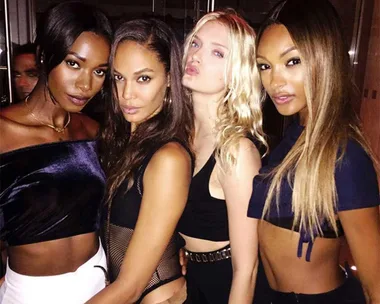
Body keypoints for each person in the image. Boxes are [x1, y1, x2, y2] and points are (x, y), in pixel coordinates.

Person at [248, 0, 380, 303]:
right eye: (265, 66)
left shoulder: (344, 155)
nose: (274, 81)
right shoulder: (293, 136)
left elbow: (376, 283)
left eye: (292, 61)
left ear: (324, 58)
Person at [0, 2, 112, 303]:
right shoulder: (3, 131)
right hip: (32, 292)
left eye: (99, 71)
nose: (86, 84)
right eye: (73, 64)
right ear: (44, 56)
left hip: (97, 280)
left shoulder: (92, 130)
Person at [86, 18, 194, 304]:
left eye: (143, 78)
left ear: (170, 79)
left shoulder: (168, 158)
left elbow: (131, 286)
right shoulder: (119, 143)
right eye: (119, 77)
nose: (126, 94)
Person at [177, 9, 267, 304]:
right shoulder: (178, 134)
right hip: (186, 275)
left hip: (224, 281)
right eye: (195, 43)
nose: (197, 55)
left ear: (237, 72)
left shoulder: (236, 151)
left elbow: (247, 269)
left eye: (217, 53)